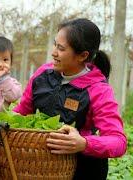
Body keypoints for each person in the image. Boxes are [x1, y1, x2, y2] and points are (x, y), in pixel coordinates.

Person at [13, 18, 127, 179]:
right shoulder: (42, 75)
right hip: (39, 167)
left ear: (82, 55)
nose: (53, 52)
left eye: (61, 48)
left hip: (83, 169)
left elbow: (118, 142)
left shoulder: (98, 89)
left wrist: (84, 143)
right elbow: (22, 112)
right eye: (55, 44)